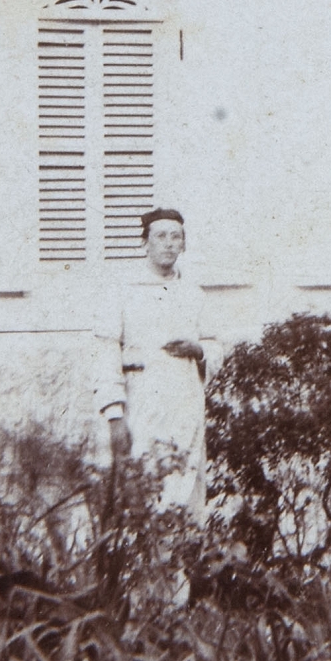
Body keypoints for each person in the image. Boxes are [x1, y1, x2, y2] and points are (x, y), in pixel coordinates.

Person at [101, 207, 211, 514]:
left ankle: (185, 558)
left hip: (186, 402)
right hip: (142, 402)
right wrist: (114, 415)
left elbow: (214, 344)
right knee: (146, 489)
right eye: (160, 236)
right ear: (144, 243)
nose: (169, 244)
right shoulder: (121, 292)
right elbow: (105, 350)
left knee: (186, 488)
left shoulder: (194, 294)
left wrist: (198, 350)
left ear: (184, 244)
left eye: (176, 237)